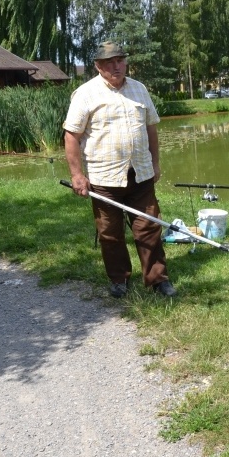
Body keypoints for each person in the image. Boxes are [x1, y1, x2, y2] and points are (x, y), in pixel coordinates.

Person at [63, 41, 176, 298]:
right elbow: (71, 136)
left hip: (141, 173)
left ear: (125, 62)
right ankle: (119, 280)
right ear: (98, 66)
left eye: (120, 60)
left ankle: (158, 279)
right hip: (104, 178)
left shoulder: (139, 89)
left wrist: (155, 163)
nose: (116, 66)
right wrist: (77, 176)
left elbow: (151, 129)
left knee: (149, 227)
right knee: (110, 233)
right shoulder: (85, 93)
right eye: (109, 62)